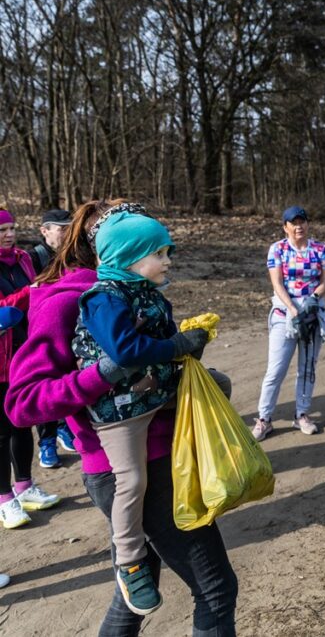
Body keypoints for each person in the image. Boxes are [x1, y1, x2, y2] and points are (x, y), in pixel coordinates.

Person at [6, 200, 238, 634]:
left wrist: (185, 351)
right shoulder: (70, 303)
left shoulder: (140, 292)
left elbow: (153, 358)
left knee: (131, 600)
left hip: (165, 453)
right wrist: (102, 373)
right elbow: (23, 404)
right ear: (113, 250)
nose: (164, 258)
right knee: (216, 590)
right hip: (125, 466)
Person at [72, 210, 209, 615]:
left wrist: (190, 340)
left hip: (156, 390)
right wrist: (178, 346)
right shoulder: (103, 298)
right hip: (119, 409)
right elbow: (126, 352)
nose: (168, 261)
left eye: (168, 252)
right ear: (130, 257)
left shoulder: (148, 289)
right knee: (131, 482)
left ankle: (211, 471)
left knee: (216, 388)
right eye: (160, 253)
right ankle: (129, 561)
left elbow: (163, 335)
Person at [0, 208, 61, 530]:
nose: (9, 234)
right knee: (0, 432)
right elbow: (4, 310)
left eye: (11, 228)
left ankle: (24, 487)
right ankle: (4, 499)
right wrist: (31, 292)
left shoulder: (23, 258)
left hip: (23, 354)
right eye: (2, 230)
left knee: (22, 422)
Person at [252, 205, 325, 441]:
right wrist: (292, 308)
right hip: (284, 315)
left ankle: (302, 415)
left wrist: (313, 299)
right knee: (276, 370)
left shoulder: (320, 249)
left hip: (312, 313)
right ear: (285, 226)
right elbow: (277, 283)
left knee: (307, 368)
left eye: (302, 221)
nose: (299, 226)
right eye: (293, 223)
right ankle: (264, 419)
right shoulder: (277, 249)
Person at [30, 208, 75, 469]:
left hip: (68, 328)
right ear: (45, 231)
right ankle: (46, 443)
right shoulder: (33, 258)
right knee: (45, 386)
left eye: (70, 227)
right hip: (40, 332)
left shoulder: (74, 255)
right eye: (61, 228)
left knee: (66, 381)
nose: (67, 232)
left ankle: (65, 426)